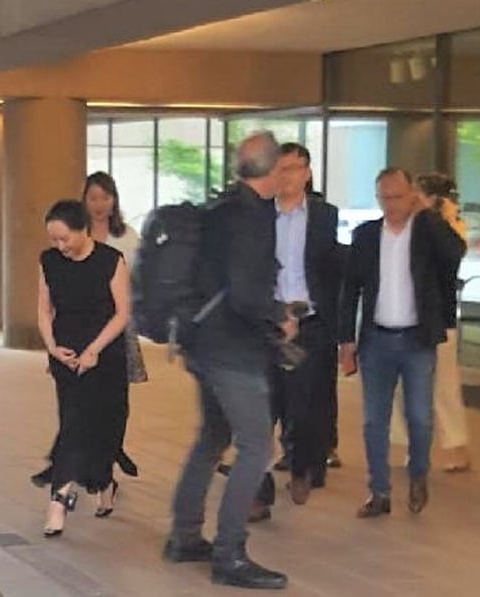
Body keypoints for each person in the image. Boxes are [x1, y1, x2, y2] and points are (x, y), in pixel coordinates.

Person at [163, 131, 290, 590]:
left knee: (212, 436)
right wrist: (280, 317)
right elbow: (245, 292)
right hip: (233, 350)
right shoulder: (252, 218)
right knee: (258, 446)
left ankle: (185, 536)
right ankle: (229, 554)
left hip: (201, 342)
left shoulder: (218, 209)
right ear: (273, 171)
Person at [338, 167, 466, 518]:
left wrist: (426, 213)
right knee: (373, 420)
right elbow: (350, 290)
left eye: (398, 196)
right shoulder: (366, 236)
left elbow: (456, 253)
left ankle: (418, 475)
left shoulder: (427, 232)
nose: (391, 204)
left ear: (412, 195)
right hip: (376, 339)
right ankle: (378, 490)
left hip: (417, 339)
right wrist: (346, 339)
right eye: (384, 197)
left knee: (420, 417)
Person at [30, 172, 142, 488]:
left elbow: (128, 296)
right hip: (74, 332)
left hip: (112, 330)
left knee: (110, 405)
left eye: (104, 198)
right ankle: (67, 469)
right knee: (76, 409)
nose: (98, 204)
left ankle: (104, 461)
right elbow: (45, 306)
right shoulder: (57, 253)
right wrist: (52, 344)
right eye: (92, 198)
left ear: (114, 200)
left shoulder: (124, 240)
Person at [37, 200, 130, 537]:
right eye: (53, 239)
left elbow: (122, 313)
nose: (59, 246)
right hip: (66, 352)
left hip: (104, 352)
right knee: (73, 423)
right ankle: (59, 499)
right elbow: (44, 310)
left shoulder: (110, 261)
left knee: (103, 423)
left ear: (82, 230)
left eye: (64, 239)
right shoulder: (49, 262)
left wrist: (94, 350)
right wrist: (51, 348)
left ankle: (104, 482)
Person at [268, 142, 340, 506]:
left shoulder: (325, 216)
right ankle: (266, 474)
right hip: (270, 320)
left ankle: (302, 468)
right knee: (272, 398)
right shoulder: (262, 216)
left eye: (293, 168)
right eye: (280, 168)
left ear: (307, 173)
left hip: (311, 320)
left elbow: (330, 270)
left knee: (306, 401)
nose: (287, 176)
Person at [389, 172, 471, 473]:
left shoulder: (447, 225)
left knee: (444, 387)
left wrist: (437, 216)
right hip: (406, 316)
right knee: (405, 386)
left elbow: (455, 254)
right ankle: (414, 444)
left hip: (440, 317)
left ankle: (456, 446)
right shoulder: (406, 224)